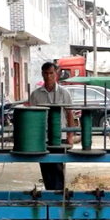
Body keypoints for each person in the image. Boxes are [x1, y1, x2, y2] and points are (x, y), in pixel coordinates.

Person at [29, 61, 74, 191]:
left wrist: (70, 136)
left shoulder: (64, 93)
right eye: (46, 73)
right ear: (42, 74)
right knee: (45, 167)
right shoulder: (35, 95)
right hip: (42, 138)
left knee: (58, 167)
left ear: (56, 74)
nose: (49, 76)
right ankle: (49, 194)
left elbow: (69, 114)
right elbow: (32, 117)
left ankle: (59, 196)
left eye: (51, 73)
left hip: (60, 137)